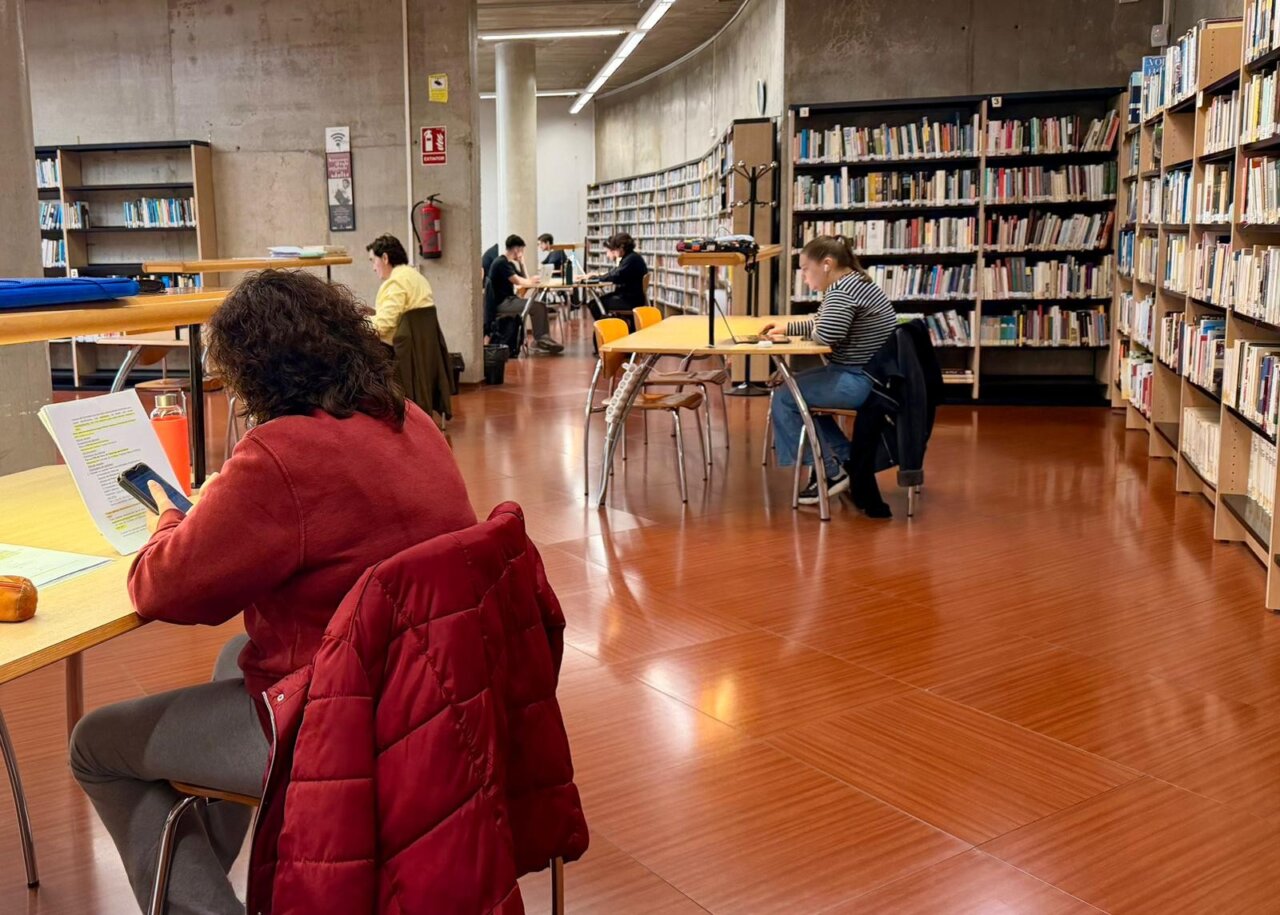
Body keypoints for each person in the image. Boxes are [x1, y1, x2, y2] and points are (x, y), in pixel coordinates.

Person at [68, 269, 478, 915]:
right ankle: (210, 875)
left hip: (350, 723)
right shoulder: (410, 419)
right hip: (441, 693)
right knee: (238, 651)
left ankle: (202, 904)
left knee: (95, 743)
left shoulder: (282, 451)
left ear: (252, 371)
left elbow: (163, 590)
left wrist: (172, 518)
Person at [762, 235, 896, 506]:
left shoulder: (843, 290)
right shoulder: (855, 282)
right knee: (795, 394)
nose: (804, 276)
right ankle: (846, 459)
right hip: (872, 376)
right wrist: (787, 328)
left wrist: (808, 328)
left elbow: (826, 333)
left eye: (805, 269)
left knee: (787, 397)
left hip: (859, 380)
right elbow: (823, 322)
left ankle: (829, 472)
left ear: (826, 264)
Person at [485, 234, 563, 354]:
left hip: (508, 300)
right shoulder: (501, 263)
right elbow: (520, 281)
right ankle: (540, 341)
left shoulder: (508, 263)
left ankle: (542, 340)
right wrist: (531, 280)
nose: (522, 253)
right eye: (522, 250)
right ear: (517, 249)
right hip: (502, 303)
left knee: (539, 306)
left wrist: (522, 263)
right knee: (538, 307)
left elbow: (525, 279)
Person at [366, 233, 434, 345]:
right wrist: (375, 311)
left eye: (373, 261)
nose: (373, 268)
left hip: (401, 351)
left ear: (385, 258)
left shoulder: (396, 282)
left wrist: (358, 321)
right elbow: (402, 313)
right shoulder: (415, 276)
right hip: (422, 350)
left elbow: (383, 326)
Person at [587, 232, 648, 323]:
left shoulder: (631, 260)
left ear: (621, 247)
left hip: (630, 300)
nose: (613, 252)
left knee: (594, 305)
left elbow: (616, 275)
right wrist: (600, 277)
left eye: (614, 249)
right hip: (632, 297)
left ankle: (610, 329)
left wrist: (597, 279)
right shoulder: (631, 257)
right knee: (595, 303)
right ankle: (614, 325)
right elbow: (616, 273)